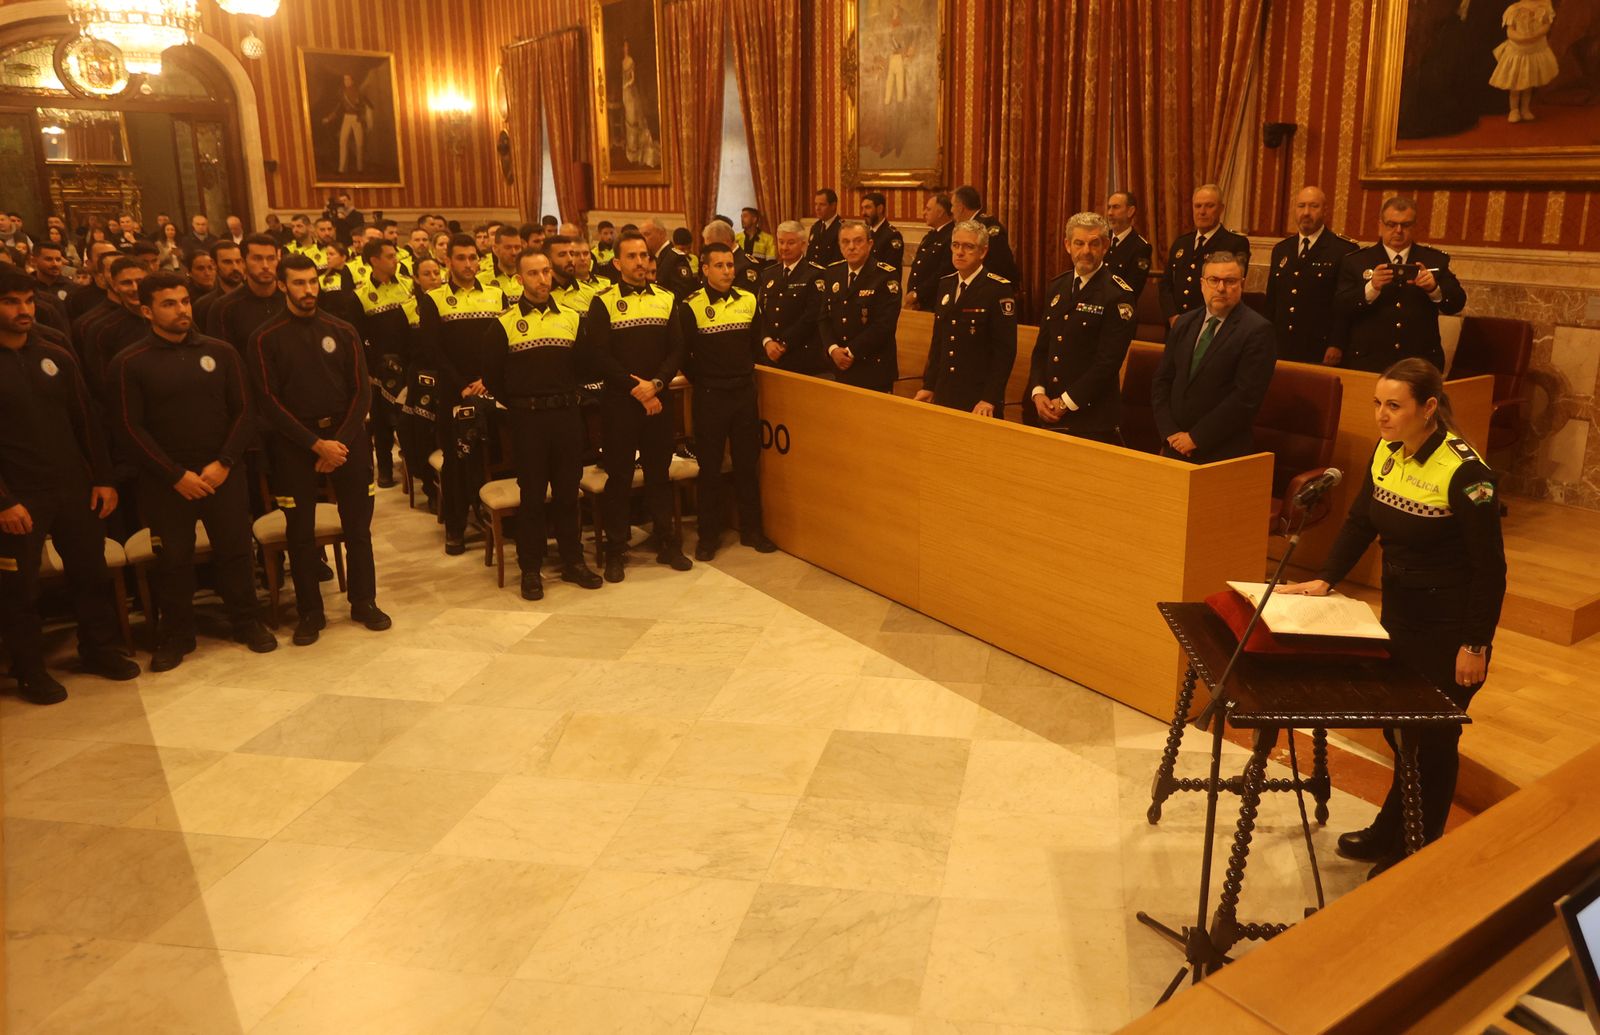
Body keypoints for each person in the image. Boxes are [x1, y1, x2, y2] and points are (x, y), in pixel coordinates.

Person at [1281, 358, 1505, 877]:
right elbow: (1361, 520)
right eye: (1378, 404)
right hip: (1401, 614)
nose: (1381, 416)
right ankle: (1392, 827)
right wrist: (1327, 577)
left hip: (1450, 626)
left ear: (1429, 408)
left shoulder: (1466, 472)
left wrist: (1475, 644)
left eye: (1394, 406)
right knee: (1399, 729)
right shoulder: (1388, 450)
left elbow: (1491, 569)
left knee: (1434, 737)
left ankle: (1418, 846)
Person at [108, 272, 276, 670]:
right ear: (147, 310)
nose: (182, 310)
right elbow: (129, 427)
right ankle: (177, 634)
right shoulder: (130, 362)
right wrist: (174, 475)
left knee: (235, 551)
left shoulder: (220, 352)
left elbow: (244, 411)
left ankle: (246, 621)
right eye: (169, 304)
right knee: (174, 560)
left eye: (184, 301)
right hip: (167, 481)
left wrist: (224, 463)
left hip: (222, 470)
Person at [0, 267, 139, 703]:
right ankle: (29, 669)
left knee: (90, 572)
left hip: (72, 485)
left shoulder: (54, 350)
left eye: (27, 301)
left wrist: (102, 477)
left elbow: (85, 419)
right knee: (20, 587)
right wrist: (3, 500)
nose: (24, 310)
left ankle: (98, 649)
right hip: (18, 494)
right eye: (11, 302)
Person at [247, 253, 390, 645]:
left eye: (313, 282)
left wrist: (337, 444)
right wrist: (315, 445)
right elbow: (267, 400)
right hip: (295, 444)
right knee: (300, 532)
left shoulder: (342, 330)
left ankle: (364, 601)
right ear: (282, 285)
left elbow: (362, 392)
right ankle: (312, 611)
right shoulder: (264, 337)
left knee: (358, 527)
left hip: (346, 440)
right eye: (298, 283)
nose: (308, 290)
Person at [481, 249, 604, 600]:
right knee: (532, 498)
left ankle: (573, 562)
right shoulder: (503, 324)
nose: (542, 279)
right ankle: (530, 569)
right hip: (527, 419)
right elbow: (492, 376)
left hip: (566, 417)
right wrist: (522, 402)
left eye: (546, 272)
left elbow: (583, 367)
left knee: (568, 493)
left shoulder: (570, 318)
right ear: (520, 279)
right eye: (533, 274)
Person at [586, 229, 690, 582]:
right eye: (632, 256)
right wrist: (637, 389)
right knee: (619, 478)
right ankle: (617, 548)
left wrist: (656, 386)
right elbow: (599, 356)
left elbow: (676, 348)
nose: (641, 262)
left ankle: (667, 542)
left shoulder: (665, 298)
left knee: (659, 474)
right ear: (617, 262)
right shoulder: (603, 301)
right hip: (621, 404)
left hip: (659, 401)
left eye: (644, 255)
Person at [679, 242, 777, 561]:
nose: (727, 271)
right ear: (705, 269)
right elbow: (684, 354)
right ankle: (709, 536)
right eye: (719, 266)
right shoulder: (690, 305)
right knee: (710, 468)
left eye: (729, 265)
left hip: (743, 393)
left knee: (748, 464)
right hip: (710, 395)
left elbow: (754, 344)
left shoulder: (748, 299)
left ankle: (752, 530)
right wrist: (707, 379)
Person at [415, 234, 507, 555]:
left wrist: (488, 379)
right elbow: (432, 350)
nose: (469, 264)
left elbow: (504, 342)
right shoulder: (434, 298)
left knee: (498, 453)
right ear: (448, 261)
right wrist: (463, 384)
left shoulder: (497, 295)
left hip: (492, 386)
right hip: (454, 391)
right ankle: (456, 526)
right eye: (461, 258)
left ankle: (497, 516)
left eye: (473, 257)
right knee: (457, 460)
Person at [1151, 251, 1276, 463]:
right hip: (1174, 446)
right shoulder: (1184, 323)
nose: (1221, 288)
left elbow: (1245, 399)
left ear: (1242, 284)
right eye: (1214, 280)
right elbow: (1162, 381)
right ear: (1202, 284)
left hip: (1221, 452)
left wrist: (1195, 438)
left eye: (1230, 281)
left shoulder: (1257, 330)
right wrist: (1169, 432)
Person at [1028, 212, 1138, 443]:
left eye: (1094, 243)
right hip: (1047, 409)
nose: (1086, 251)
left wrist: (1065, 402)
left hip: (1091, 419)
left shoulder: (1118, 295)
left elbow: (1107, 363)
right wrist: (1038, 393)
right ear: (1068, 245)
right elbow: (1042, 349)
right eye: (1079, 243)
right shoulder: (1058, 286)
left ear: (1105, 246)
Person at [1333, 196, 1466, 373]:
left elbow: (1457, 303)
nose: (1398, 230)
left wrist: (1434, 289)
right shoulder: (1357, 261)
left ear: (1415, 227)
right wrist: (1371, 288)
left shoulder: (1434, 260)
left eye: (1405, 225)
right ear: (1380, 225)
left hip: (1419, 362)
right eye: (1391, 224)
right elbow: (1341, 306)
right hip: (1369, 361)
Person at [915, 220, 1016, 416]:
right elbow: (938, 343)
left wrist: (990, 398)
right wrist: (929, 385)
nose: (960, 252)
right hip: (945, 391)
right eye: (956, 245)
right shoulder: (946, 284)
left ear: (983, 252)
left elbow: (1004, 352)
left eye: (968, 247)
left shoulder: (997, 289)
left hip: (978, 397)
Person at [1264, 186, 1359, 365]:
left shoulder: (1343, 250)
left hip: (1319, 346)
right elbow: (1272, 301)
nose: (1306, 212)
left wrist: (1336, 343)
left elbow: (1345, 306)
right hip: (1282, 344)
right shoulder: (1281, 249)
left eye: (1313, 206)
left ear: (1325, 210)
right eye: (1301, 206)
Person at [354, 239, 418, 489]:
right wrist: (369, 370)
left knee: (409, 418)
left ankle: (412, 468)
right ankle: (385, 469)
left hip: (409, 361)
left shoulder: (407, 286)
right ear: (374, 261)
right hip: (380, 366)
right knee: (382, 420)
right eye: (390, 256)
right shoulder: (359, 295)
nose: (396, 260)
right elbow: (359, 337)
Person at [818, 220, 901, 392]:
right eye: (845, 242)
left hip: (872, 368)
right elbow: (823, 317)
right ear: (840, 246)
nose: (852, 247)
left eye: (858, 241)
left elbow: (884, 325)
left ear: (870, 244)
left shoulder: (885, 275)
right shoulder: (833, 272)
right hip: (838, 365)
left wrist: (850, 351)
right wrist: (833, 349)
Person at [1160, 184, 1251, 325]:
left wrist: (1198, 322)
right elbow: (1165, 286)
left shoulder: (1235, 244)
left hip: (1211, 324)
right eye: (1197, 206)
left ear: (1221, 209)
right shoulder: (1181, 243)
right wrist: (1173, 316)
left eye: (1209, 206)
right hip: (1176, 324)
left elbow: (1230, 291)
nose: (1202, 212)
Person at [755, 220, 828, 376]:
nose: (784, 248)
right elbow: (761, 312)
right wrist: (767, 341)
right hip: (770, 355)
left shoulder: (815, 274)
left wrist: (783, 344)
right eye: (781, 242)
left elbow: (811, 316)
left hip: (801, 356)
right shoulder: (769, 273)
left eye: (790, 243)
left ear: (803, 245)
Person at [206, 234, 287, 356]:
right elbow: (222, 357)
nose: (265, 266)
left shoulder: (291, 298)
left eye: (271, 258)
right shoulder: (224, 307)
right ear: (243, 262)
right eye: (257, 258)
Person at [1491, 0, 1557, 123]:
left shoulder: (1543, 8)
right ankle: (1514, 110)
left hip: (1534, 51)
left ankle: (1525, 109)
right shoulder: (1514, 10)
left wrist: (1536, 34)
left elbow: (1546, 26)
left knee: (1528, 83)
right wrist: (1520, 37)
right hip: (1518, 52)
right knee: (1515, 85)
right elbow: (1510, 31)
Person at [950, 185, 1019, 284]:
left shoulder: (988, 226)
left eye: (952, 205)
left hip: (992, 287)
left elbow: (998, 264)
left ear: (961, 207)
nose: (951, 210)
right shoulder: (971, 225)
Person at [905, 193, 955, 312]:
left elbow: (943, 272)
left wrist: (918, 294)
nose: (924, 212)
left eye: (928, 209)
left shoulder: (951, 236)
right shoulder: (931, 236)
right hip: (920, 303)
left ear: (940, 212)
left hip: (935, 302)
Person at [1102, 190, 1153, 301]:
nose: (1110, 213)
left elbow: (1131, 290)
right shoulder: (1101, 239)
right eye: (1109, 207)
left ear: (1130, 211)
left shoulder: (1141, 247)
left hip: (1116, 308)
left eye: (1115, 207)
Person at [193, 239, 245, 335]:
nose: (235, 267)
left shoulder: (257, 297)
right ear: (214, 264)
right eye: (227, 262)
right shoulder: (203, 306)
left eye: (238, 261)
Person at [700, 220, 762, 292]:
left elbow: (744, 299)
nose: (708, 251)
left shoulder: (746, 265)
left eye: (712, 246)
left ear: (726, 242)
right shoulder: (711, 259)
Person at [641, 220, 696, 297]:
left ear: (661, 234)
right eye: (641, 235)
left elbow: (682, 293)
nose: (643, 239)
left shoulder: (675, 258)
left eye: (647, 234)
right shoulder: (655, 256)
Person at [861, 191, 905, 273]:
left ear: (880, 209)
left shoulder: (893, 236)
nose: (863, 213)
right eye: (862, 208)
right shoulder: (865, 233)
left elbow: (890, 269)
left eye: (867, 208)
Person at [478, 224, 525, 301]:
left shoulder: (529, 277)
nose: (514, 252)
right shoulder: (480, 280)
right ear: (495, 249)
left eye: (517, 247)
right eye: (508, 247)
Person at [807, 188, 843, 267]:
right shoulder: (816, 227)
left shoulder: (842, 228)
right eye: (816, 204)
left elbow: (840, 260)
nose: (817, 208)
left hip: (831, 274)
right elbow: (810, 255)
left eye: (822, 204)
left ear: (833, 206)